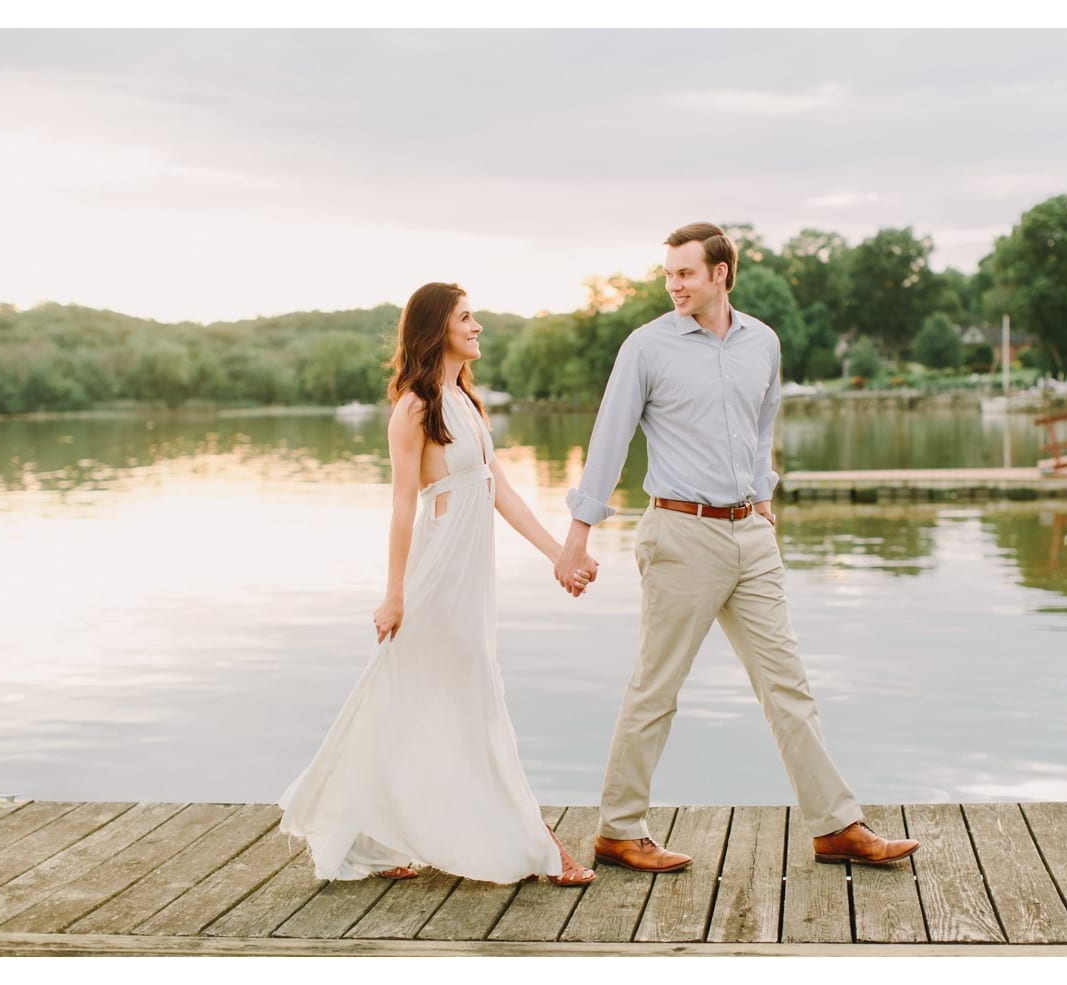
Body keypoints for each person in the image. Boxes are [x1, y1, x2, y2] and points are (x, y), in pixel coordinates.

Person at [553, 223, 920, 874]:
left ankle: (835, 824)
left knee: (789, 686)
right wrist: (577, 536)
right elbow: (608, 438)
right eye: (668, 274)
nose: (674, 285)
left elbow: (761, 428)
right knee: (656, 688)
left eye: (686, 273)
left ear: (721, 273)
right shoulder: (647, 347)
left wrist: (762, 495)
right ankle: (618, 828)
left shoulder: (763, 344)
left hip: (751, 533)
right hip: (681, 533)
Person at [279, 282, 594, 887]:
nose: (478, 327)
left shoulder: (466, 402)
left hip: (473, 574)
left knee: (443, 695)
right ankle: (537, 844)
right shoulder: (415, 407)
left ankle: (377, 832)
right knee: (458, 693)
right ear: (437, 329)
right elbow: (402, 506)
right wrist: (394, 593)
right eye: (467, 318)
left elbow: (500, 491)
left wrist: (560, 554)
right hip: (438, 570)